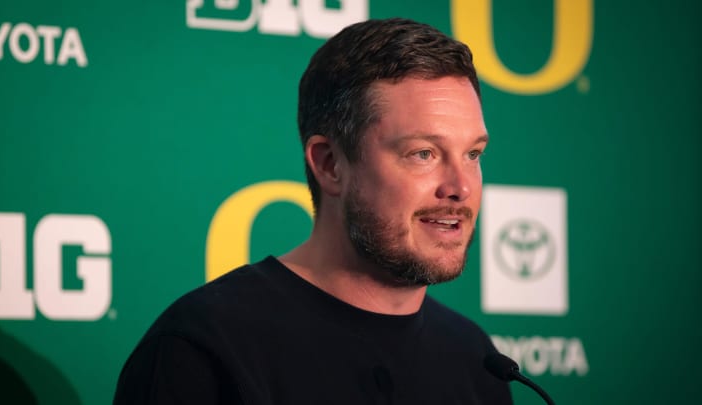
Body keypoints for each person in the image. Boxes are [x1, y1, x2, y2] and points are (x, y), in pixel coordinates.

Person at [114, 17, 512, 405]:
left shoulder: (476, 359)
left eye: (473, 154)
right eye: (423, 154)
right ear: (329, 164)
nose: (460, 187)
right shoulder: (202, 349)